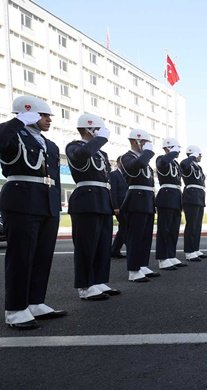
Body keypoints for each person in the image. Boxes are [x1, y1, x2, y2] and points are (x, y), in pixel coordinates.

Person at [1, 96, 66, 330]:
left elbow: (55, 178)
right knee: (21, 256)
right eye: (44, 115)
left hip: (46, 200)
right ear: (28, 114)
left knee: (42, 255)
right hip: (22, 197)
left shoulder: (50, 144)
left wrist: (55, 204)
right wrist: (17, 122)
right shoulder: (12, 133)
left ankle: (36, 301)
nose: (49, 120)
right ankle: (16, 309)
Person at [66, 113, 119, 301]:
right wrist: (102, 139)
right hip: (86, 200)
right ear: (89, 129)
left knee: (103, 244)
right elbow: (81, 157)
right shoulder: (74, 146)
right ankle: (85, 285)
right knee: (86, 246)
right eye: (99, 129)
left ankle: (98, 281)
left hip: (103, 200)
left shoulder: (101, 154)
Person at [120, 129, 159, 282]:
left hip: (147, 200)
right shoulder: (127, 157)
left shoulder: (143, 160)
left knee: (145, 236)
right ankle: (133, 270)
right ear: (136, 141)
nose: (147, 146)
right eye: (145, 142)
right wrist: (148, 153)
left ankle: (142, 265)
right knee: (135, 237)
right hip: (135, 200)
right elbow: (138, 165)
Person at [155, 138, 186, 270]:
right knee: (164, 229)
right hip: (166, 196)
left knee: (173, 229)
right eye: (175, 148)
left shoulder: (175, 163)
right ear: (168, 148)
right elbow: (163, 163)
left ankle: (171, 255)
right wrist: (172, 152)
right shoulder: (161, 159)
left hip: (176, 197)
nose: (178, 151)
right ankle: (162, 258)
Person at [181, 145, 207, 262]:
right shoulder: (188, 164)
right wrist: (192, 156)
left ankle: (195, 249)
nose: (201, 156)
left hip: (199, 195)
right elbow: (183, 165)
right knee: (191, 225)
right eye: (199, 154)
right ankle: (189, 251)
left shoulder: (198, 167)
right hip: (191, 196)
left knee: (197, 225)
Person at [109, 156, 127, 259]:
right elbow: (113, 192)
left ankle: (115, 249)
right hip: (119, 206)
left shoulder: (127, 174)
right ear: (119, 163)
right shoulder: (113, 175)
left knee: (124, 228)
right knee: (125, 227)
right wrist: (115, 207)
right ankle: (116, 249)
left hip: (128, 206)